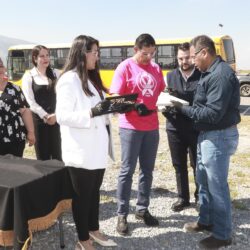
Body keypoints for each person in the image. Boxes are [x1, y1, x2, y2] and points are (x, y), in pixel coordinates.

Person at [171, 35, 241, 249]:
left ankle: (222, 234)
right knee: (204, 182)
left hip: (218, 136)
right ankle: (206, 220)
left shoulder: (220, 75)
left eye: (193, 57)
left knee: (217, 187)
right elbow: (204, 104)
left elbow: (212, 114)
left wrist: (182, 108)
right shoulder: (208, 72)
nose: (191, 61)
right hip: (207, 136)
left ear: (204, 52)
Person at [56, 35, 117, 250]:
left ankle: (93, 229)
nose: (97, 57)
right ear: (83, 53)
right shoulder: (68, 80)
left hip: (97, 148)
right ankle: (82, 239)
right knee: (82, 197)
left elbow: (100, 110)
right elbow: (62, 116)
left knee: (94, 193)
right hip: (80, 150)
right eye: (95, 52)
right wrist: (91, 113)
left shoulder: (92, 78)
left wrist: (114, 107)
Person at [110, 33, 166, 235]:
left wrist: (168, 101)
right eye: (145, 54)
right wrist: (134, 105)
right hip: (130, 127)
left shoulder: (156, 68)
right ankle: (122, 214)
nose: (149, 58)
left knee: (147, 171)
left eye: (152, 53)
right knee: (127, 171)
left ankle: (142, 209)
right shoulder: (125, 67)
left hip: (152, 126)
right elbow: (115, 96)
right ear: (136, 50)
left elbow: (161, 92)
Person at [162, 42, 201, 212]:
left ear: (193, 57)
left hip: (196, 129)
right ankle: (182, 198)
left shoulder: (202, 75)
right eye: (180, 58)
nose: (184, 62)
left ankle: (200, 198)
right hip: (174, 128)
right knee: (179, 165)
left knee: (198, 164)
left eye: (187, 58)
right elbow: (163, 100)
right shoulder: (169, 76)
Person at [22, 45, 61, 160]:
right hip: (39, 122)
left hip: (57, 120)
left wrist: (55, 115)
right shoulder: (28, 76)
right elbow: (30, 101)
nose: (46, 59)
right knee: (43, 156)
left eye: (47, 55)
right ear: (35, 58)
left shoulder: (56, 73)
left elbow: (62, 96)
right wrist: (45, 115)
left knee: (58, 156)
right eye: (42, 56)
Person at [0, 57, 35, 156]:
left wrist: (31, 132)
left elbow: (25, 111)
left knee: (15, 169)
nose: (0, 69)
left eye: (1, 66)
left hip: (16, 138)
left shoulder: (15, 88)